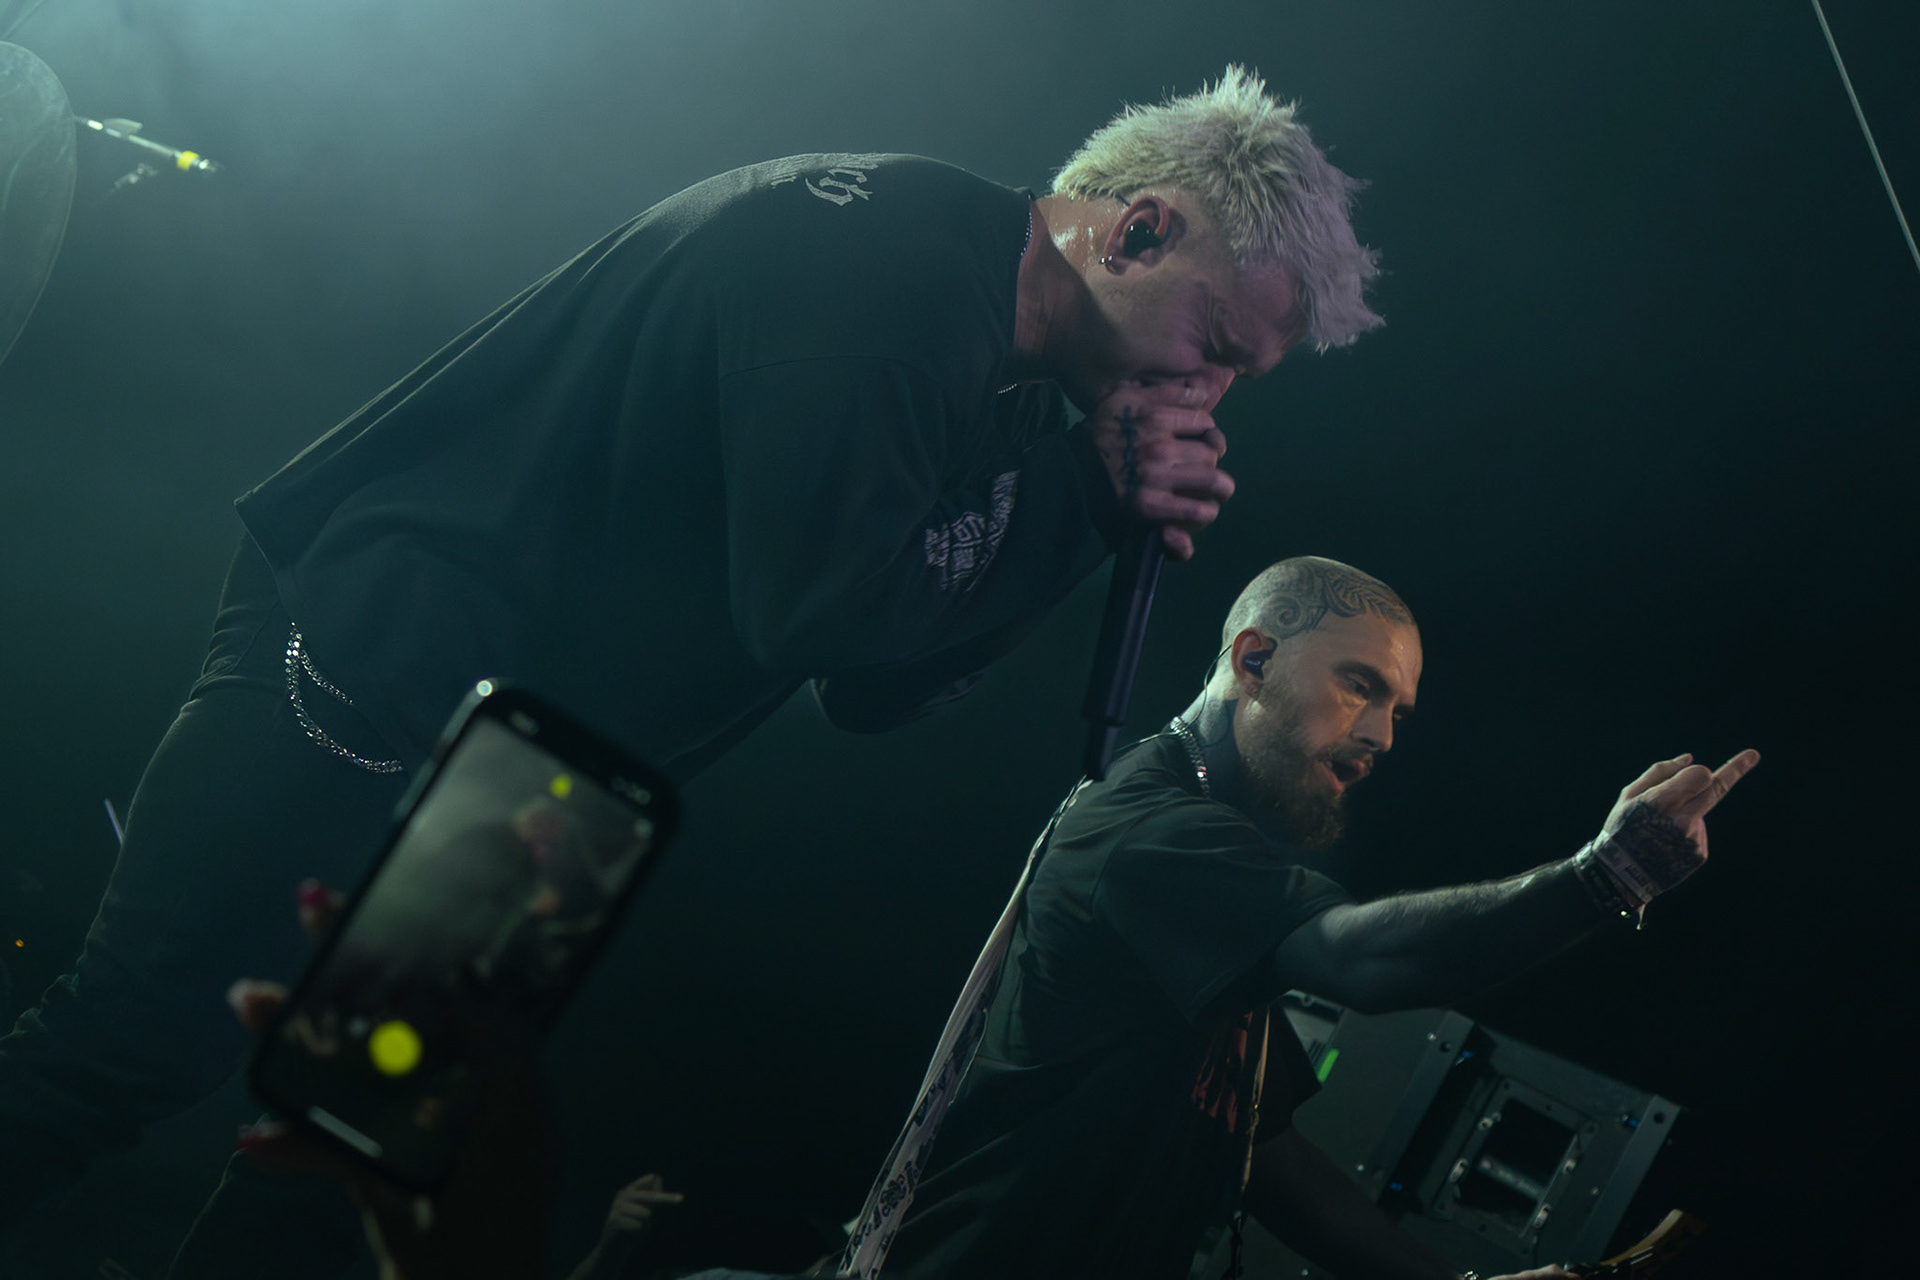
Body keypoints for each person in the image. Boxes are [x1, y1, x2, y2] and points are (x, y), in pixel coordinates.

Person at [0, 67, 1385, 1257]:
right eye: (1215, 349)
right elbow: (819, 615)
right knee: (128, 1048)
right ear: (1139, 229)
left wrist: (1084, 510)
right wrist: (1080, 498)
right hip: (374, 659)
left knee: (342, 1157)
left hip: (529, 776)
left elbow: (879, 689)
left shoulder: (1021, 377)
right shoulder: (889, 273)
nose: (1208, 396)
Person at [859, 556, 1758, 1280]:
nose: (1382, 738)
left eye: (1396, 710)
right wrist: (1600, 880)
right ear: (1253, 662)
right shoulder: (1147, 834)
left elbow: (1266, 1154)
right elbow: (1359, 963)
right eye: (1360, 686)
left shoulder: (1202, 851)